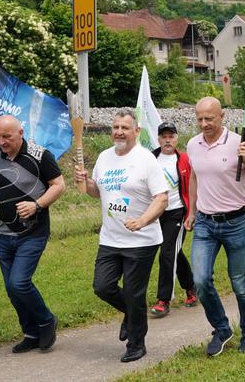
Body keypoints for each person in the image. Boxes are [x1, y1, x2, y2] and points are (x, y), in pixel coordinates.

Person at [0, 115, 65, 354]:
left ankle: (46, 320)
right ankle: (31, 332)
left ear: (21, 132)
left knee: (19, 283)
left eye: (7, 136)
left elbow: (59, 185)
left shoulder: (40, 155)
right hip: (5, 234)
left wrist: (37, 205)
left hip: (33, 232)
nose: (2, 141)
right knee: (11, 289)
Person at [74, 109, 168, 363]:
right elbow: (98, 192)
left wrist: (143, 220)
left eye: (125, 128)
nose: (119, 132)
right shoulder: (104, 158)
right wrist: (86, 182)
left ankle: (137, 344)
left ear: (136, 131)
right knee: (102, 287)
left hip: (142, 240)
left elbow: (161, 198)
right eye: (115, 127)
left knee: (134, 292)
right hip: (110, 238)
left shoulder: (146, 159)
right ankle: (131, 312)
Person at [184, 97, 245, 357]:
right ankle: (222, 329)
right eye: (199, 118)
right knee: (200, 280)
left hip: (236, 222)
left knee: (240, 283)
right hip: (205, 223)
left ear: (222, 116)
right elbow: (196, 178)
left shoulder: (239, 143)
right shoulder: (193, 144)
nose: (204, 124)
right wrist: (192, 210)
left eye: (209, 118)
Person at [149, 122, 197, 317]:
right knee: (175, 252)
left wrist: (192, 212)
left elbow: (195, 185)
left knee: (167, 254)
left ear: (177, 138)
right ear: (158, 139)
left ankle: (164, 299)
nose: (167, 140)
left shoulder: (185, 160)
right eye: (164, 136)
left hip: (176, 213)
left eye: (171, 136)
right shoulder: (150, 158)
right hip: (153, 214)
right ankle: (192, 287)